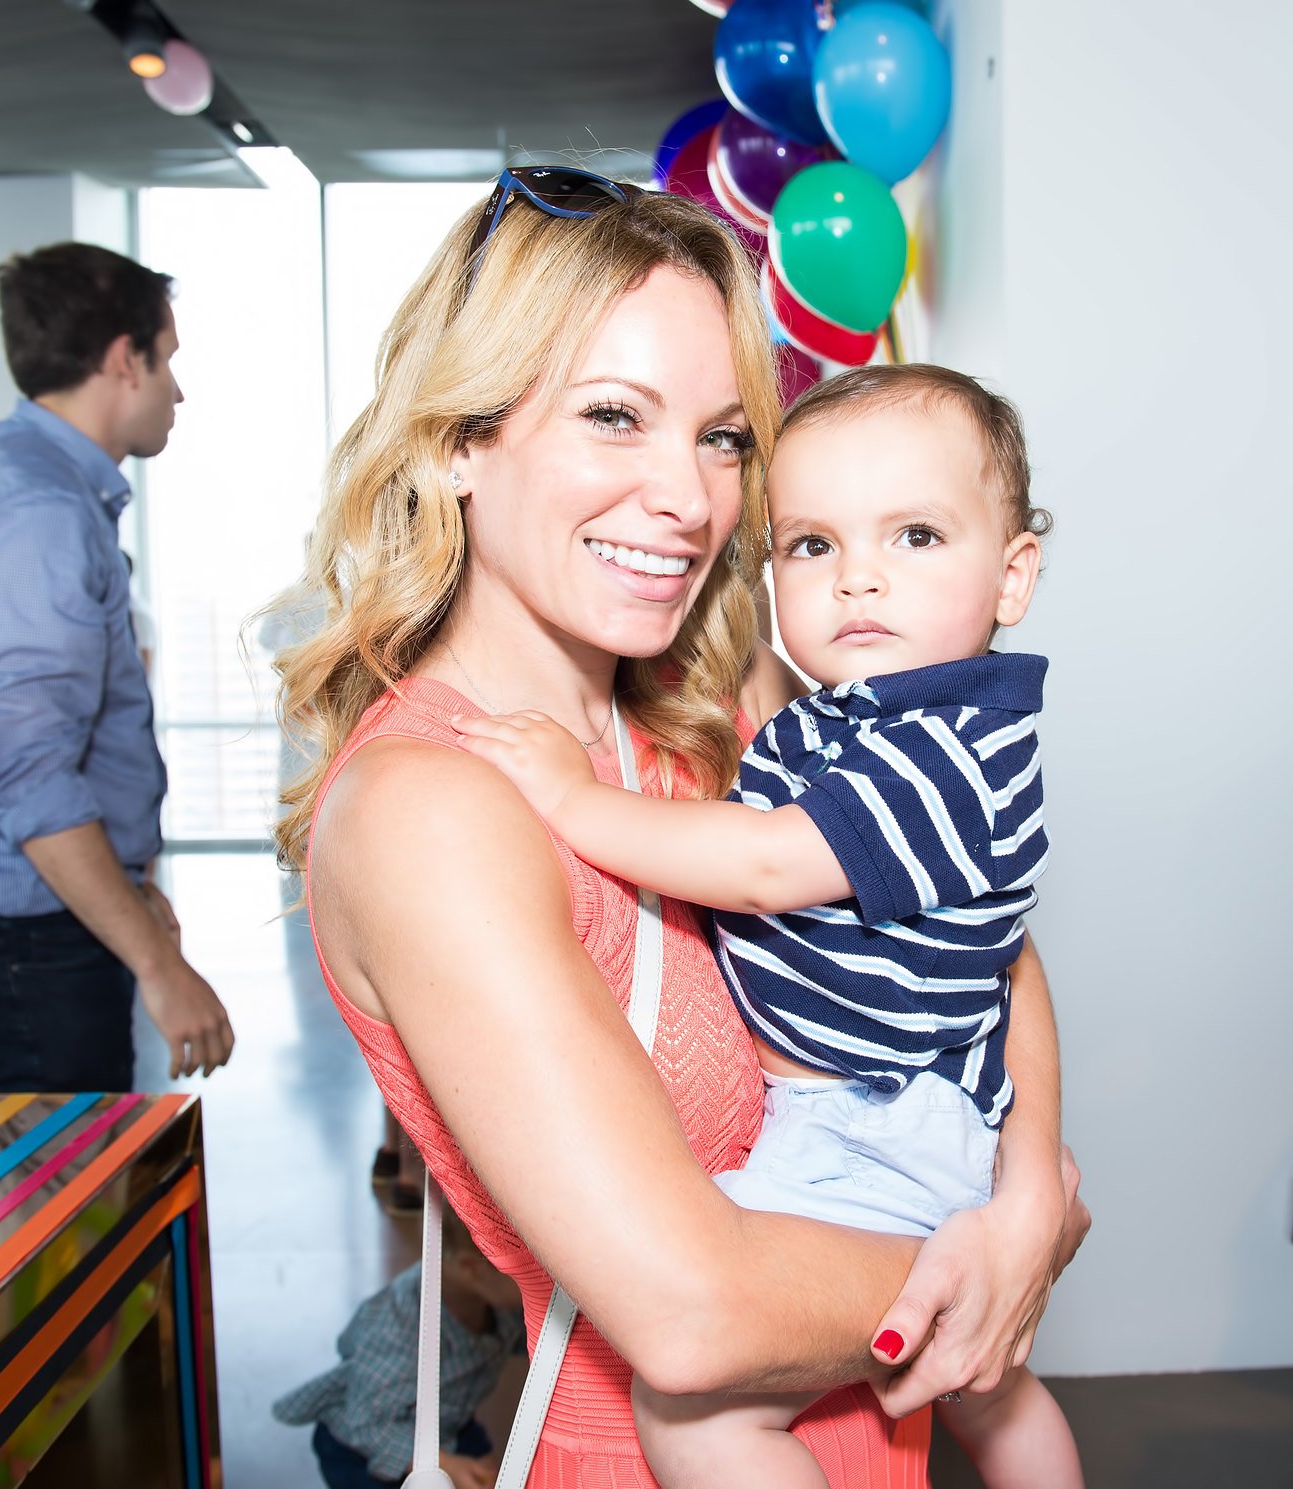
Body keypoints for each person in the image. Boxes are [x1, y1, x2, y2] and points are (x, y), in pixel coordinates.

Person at [277, 173, 1087, 1487]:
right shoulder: (433, 809)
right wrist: (990, 1270)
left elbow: (977, 922)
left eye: (722, 439)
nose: (688, 498)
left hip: (872, 1428)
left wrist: (1031, 1184)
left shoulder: (717, 712)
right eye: (615, 417)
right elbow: (692, 1314)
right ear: (455, 442)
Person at [454, 363, 1081, 1489]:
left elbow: (756, 864)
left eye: (916, 538)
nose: (858, 583)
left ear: (1013, 574)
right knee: (990, 1391)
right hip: (876, 1111)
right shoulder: (859, 714)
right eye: (812, 547)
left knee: (698, 1420)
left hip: (873, 1123)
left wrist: (568, 797)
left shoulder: (936, 746)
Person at [0, 242, 234, 1092]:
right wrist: (158, 964)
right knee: (61, 1220)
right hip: (21, 954)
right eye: (168, 360)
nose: (177, 390)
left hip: (25, 936)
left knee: (54, 1217)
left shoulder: (15, 476)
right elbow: (34, 777)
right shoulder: (37, 511)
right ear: (125, 359)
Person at [273, 1204, 525, 1489]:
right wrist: (445, 1464)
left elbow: (515, 1339)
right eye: (528, 1270)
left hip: (446, 1418)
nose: (541, 1279)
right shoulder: (399, 1332)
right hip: (363, 1444)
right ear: (470, 1267)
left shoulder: (494, 1299)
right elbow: (367, 1423)